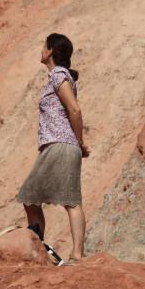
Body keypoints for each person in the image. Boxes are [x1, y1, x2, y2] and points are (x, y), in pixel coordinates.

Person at [15, 33, 90, 262]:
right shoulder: (59, 76)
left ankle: (60, 253)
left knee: (51, 199)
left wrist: (78, 142)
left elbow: (74, 110)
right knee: (38, 198)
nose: (41, 49)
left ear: (49, 51)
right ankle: (48, 250)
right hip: (59, 145)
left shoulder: (58, 75)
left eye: (43, 46)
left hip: (59, 144)